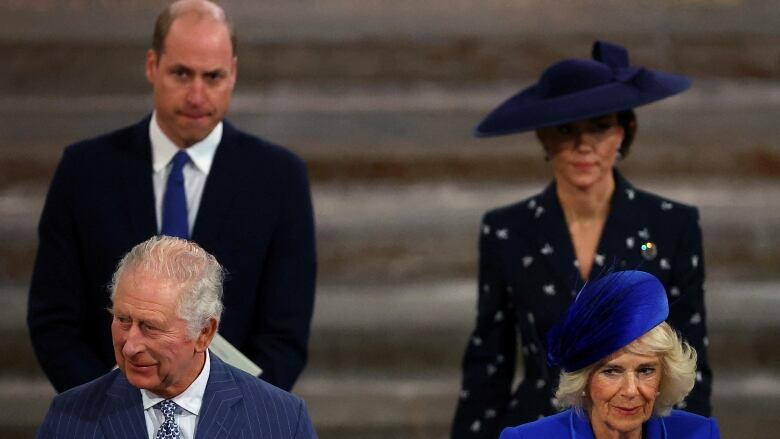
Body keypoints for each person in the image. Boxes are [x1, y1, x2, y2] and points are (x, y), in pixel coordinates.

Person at [27, 0, 316, 393]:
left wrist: (222, 415)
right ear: (152, 66)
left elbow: (284, 335)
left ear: (233, 74)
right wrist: (114, 410)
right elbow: (53, 320)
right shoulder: (85, 170)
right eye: (182, 73)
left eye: (213, 77)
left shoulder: (280, 178)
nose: (197, 95)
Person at [452, 40, 711, 438]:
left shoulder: (671, 225)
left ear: (625, 131)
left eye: (600, 126)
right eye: (566, 128)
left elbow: (690, 356)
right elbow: (490, 362)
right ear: (544, 136)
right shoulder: (508, 231)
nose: (583, 144)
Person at [36, 236, 318, 438]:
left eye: (151, 327)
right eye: (122, 320)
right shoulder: (69, 418)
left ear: (204, 333)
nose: (130, 346)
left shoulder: (281, 420)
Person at [498, 270, 719, 438]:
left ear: (665, 376)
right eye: (612, 371)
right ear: (584, 380)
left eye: (646, 370)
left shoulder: (700, 433)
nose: (631, 390)